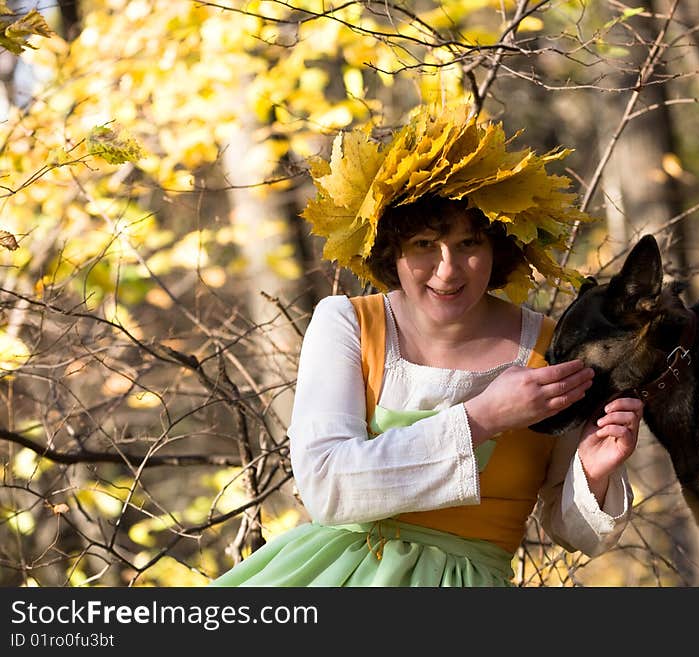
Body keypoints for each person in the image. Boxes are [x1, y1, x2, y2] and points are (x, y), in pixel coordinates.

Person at [209, 105, 643, 587]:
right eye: (422, 246)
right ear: (390, 249)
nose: (447, 271)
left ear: (498, 246)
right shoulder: (348, 324)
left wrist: (594, 472)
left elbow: (575, 531)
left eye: (469, 244)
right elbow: (325, 486)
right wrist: (484, 419)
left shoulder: (551, 346)